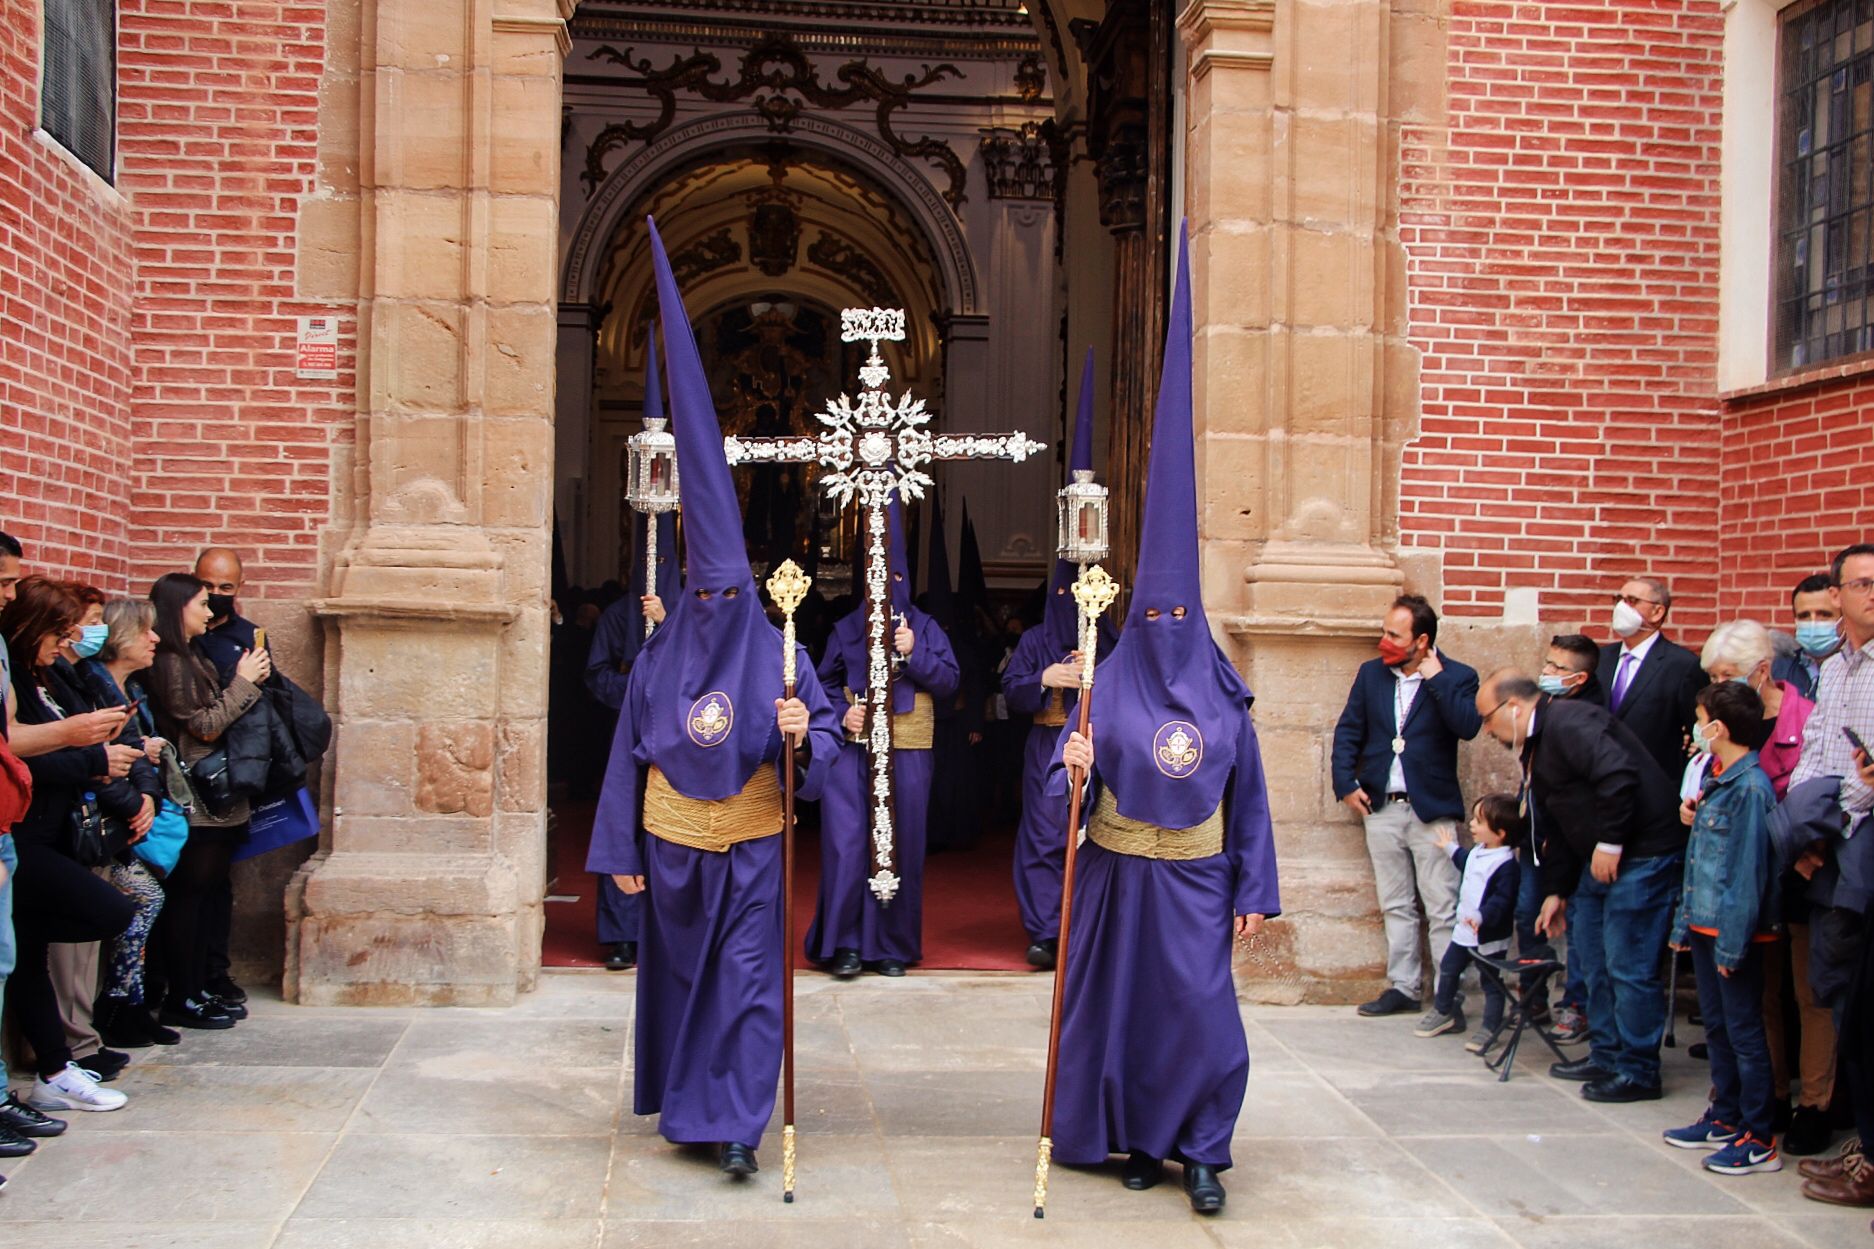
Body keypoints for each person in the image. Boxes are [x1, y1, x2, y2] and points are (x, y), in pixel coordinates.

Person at [586, 219, 842, 1179]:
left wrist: (801, 733)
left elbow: (820, 729)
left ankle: (739, 1118)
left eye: (730, 595)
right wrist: (619, 853)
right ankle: (695, 1109)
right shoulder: (658, 656)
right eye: (708, 595)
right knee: (687, 983)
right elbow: (626, 754)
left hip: (754, 838)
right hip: (673, 843)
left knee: (748, 983)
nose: (718, 609)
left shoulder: (778, 646)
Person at [1048, 227, 1278, 1214]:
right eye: (1156, 615)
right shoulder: (1110, 678)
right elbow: (1065, 786)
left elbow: (1251, 798)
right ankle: (1134, 1138)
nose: (1168, 628)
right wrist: (1073, 757)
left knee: (1197, 1013)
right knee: (1123, 1013)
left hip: (1194, 876)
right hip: (1116, 874)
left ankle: (1203, 1147)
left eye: (1181, 616)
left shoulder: (1223, 694)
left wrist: (1253, 887)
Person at [1478, 669, 1685, 1103]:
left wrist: (1610, 842)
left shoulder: (1571, 722)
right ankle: (1608, 1054)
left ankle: (1639, 1070)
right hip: (1594, 859)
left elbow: (1617, 776)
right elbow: (1561, 818)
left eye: (1487, 718)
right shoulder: (1537, 742)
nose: (1486, 729)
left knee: (1628, 964)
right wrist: (1557, 889)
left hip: (1640, 851)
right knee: (1592, 959)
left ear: (1513, 707)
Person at [806, 498, 959, 979]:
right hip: (852, 756)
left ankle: (892, 946)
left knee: (902, 846)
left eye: (895, 581)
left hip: (909, 753)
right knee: (847, 847)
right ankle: (846, 944)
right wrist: (840, 712)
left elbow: (951, 682)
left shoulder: (926, 628)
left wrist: (915, 655)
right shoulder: (846, 627)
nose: (886, 591)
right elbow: (821, 685)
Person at [1, 577, 137, 1112]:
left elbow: (87, 728)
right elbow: (22, 753)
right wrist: (90, 758)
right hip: (24, 833)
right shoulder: (16, 671)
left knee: (28, 955)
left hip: (56, 831)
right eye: (61, 632)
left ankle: (55, 1072)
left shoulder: (53, 675)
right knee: (110, 911)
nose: (70, 642)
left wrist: (107, 753)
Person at [1001, 349, 1115, 969]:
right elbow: (1010, 691)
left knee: (1095, 836)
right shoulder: (1038, 638)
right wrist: (1047, 676)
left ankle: (1086, 930)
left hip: (1099, 745)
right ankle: (1047, 929)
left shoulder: (1113, 630)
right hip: (1047, 744)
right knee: (1044, 838)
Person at [1698, 617, 1831, 1153]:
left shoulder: (1805, 716)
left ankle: (1816, 1102)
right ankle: (1768, 1096)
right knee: (1761, 995)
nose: (1719, 685)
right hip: (1748, 876)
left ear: (1762, 670)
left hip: (1801, 868)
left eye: (1728, 674)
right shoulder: (1725, 724)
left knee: (1809, 991)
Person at [1332, 593, 1481, 1018]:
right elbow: (1349, 732)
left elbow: (1467, 726)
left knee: (1442, 905)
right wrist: (1345, 783)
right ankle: (1404, 985)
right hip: (1381, 806)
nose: (1384, 641)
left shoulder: (1458, 676)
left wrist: (1437, 680)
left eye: (1394, 635)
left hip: (1432, 810)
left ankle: (1448, 995)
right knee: (1395, 903)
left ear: (1421, 640)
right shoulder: (1371, 676)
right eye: (1384, 631)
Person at [1663, 681, 1783, 1175]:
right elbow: (1701, 863)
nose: (1695, 728)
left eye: (1699, 718)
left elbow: (1748, 873)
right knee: (1718, 1027)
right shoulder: (1718, 779)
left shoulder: (1751, 789)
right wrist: (1684, 924)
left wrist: (1733, 946)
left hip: (1733, 934)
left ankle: (1759, 1136)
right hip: (1706, 924)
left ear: (1719, 727)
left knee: (1744, 1032)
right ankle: (1727, 1115)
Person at [1789, 542, 1874, 1209]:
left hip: (1861, 846)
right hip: (1835, 846)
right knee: (1841, 994)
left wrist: (1841, 810)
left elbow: (1862, 778)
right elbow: (1820, 755)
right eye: (1862, 583)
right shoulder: (1838, 666)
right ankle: (1866, 1149)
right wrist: (1806, 833)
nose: (1871, 592)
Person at [146, 571, 269, 1029]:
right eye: (200, 602)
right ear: (179, 609)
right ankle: (181, 995)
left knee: (205, 898)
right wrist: (243, 681)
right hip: (198, 796)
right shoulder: (171, 663)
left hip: (216, 795)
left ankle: (196, 986)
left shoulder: (191, 654)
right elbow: (204, 726)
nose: (209, 609)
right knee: (188, 899)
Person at [81, 598, 182, 1048]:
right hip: (101, 827)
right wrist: (133, 804)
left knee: (147, 898)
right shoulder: (95, 687)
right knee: (142, 898)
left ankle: (129, 1002)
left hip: (129, 817)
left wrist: (146, 797)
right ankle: (117, 1005)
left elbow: (136, 758)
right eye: (145, 630)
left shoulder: (128, 691)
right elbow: (99, 764)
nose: (154, 638)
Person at [584, 504, 677, 972]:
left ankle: (666, 931)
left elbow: (701, 669)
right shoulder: (618, 615)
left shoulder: (687, 614)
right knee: (623, 823)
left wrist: (667, 624)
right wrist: (636, 696)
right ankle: (621, 934)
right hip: (625, 728)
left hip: (677, 737)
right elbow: (596, 674)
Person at [189, 547, 260, 1008]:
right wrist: (242, 682)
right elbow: (201, 721)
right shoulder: (175, 637)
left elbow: (260, 705)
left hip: (232, 775)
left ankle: (214, 972)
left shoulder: (249, 635)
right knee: (189, 887)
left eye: (226, 589)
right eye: (207, 588)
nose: (216, 597)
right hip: (191, 777)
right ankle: (185, 982)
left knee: (218, 884)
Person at [1525, 632, 1604, 1042]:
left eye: (1559, 668)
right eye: (1548, 664)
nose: (1549, 673)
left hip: (1580, 845)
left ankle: (1580, 1007)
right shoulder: (1550, 708)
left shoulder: (1584, 719)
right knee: (1535, 915)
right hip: (1544, 837)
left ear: (1581, 678)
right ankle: (1546, 997)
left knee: (1584, 934)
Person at [1419, 795, 1520, 1053]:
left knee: (1491, 983)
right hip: (1464, 932)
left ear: (1500, 832)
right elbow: (1465, 861)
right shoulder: (1479, 852)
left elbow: (1501, 900)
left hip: (1487, 935)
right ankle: (1444, 1010)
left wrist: (1481, 916)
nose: (1472, 824)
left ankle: (1490, 1026)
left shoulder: (1506, 865)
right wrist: (1449, 847)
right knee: (1450, 969)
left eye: (1479, 821)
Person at [1597, 575, 1705, 785]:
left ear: (1657, 611)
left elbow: (1697, 730)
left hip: (1652, 785)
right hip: (1600, 783)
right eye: (1618, 599)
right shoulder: (1602, 658)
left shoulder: (1682, 665)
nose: (1621, 607)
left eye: (1632, 601)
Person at [1774, 573, 1842, 701]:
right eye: (1804, 616)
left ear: (1843, 618)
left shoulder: (1857, 669)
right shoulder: (1777, 670)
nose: (1813, 623)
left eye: (1824, 614)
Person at [1541, 633, 1605, 705]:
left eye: (1557, 667)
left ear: (1580, 678)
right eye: (1548, 663)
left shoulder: (1587, 713)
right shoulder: (1545, 697)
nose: (1545, 671)